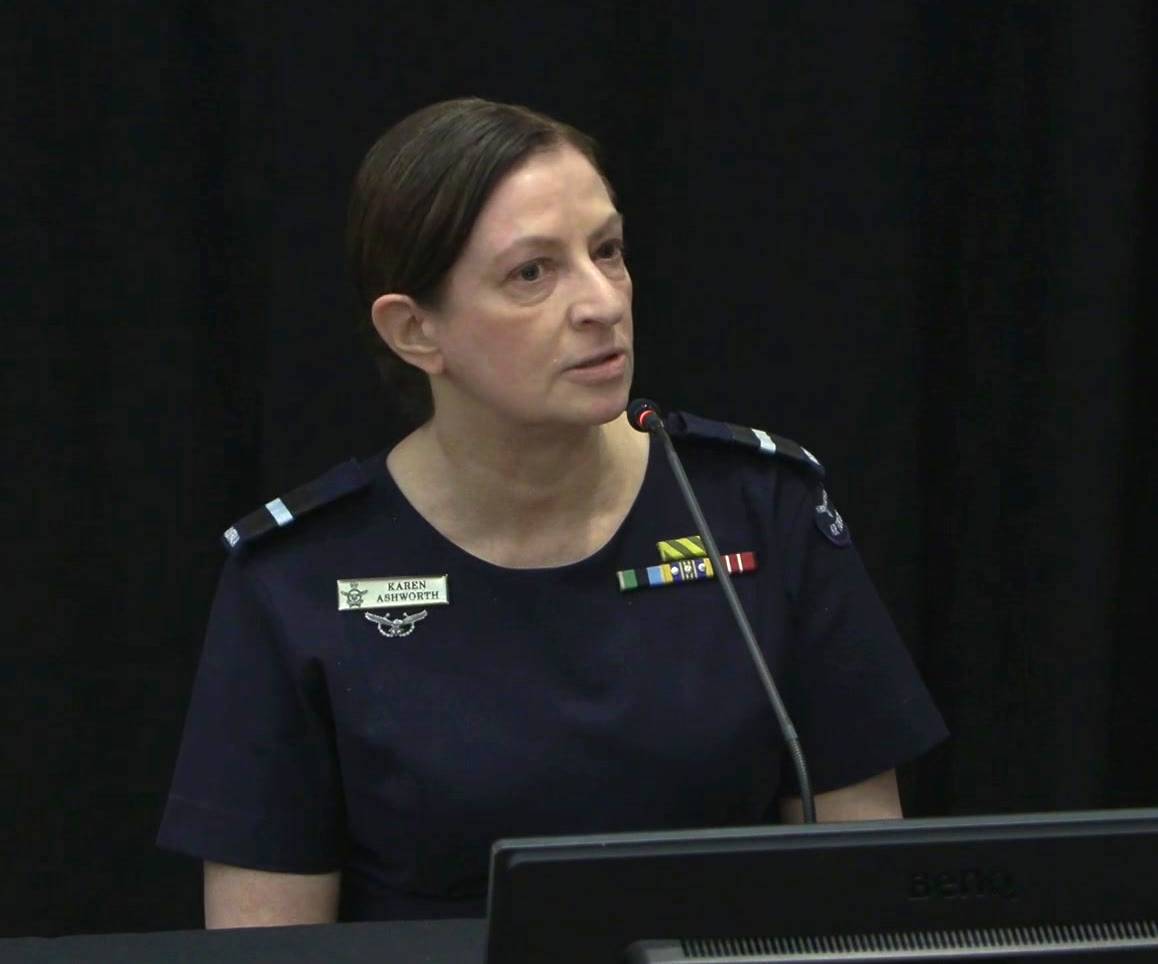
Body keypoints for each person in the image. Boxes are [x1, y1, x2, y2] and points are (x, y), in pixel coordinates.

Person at [157, 97, 947, 928]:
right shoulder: (300, 580)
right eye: (532, 273)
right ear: (414, 331)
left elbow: (867, 906)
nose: (602, 302)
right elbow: (263, 951)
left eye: (607, 250)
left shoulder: (759, 511)